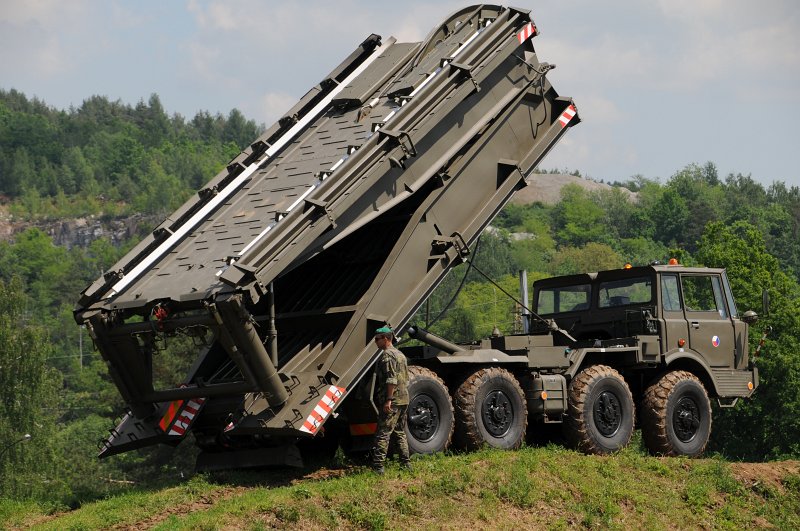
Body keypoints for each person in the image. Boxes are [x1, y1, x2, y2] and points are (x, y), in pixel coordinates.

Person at [371, 325, 411, 474]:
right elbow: (405, 378)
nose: (375, 342)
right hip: (404, 398)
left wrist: (388, 399)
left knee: (383, 433)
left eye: (377, 339)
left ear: (386, 339)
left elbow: (391, 379)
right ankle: (405, 464)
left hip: (392, 401)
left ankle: (378, 467)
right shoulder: (400, 354)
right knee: (400, 432)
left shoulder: (387, 355)